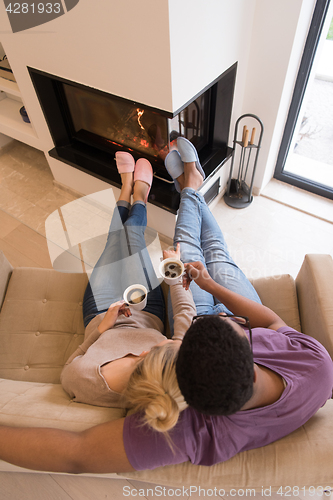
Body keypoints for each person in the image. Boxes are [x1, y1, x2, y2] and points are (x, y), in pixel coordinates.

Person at [0, 141, 332, 475]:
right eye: (228, 322)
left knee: (189, 249)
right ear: (249, 349)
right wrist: (212, 287)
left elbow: (78, 454)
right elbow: (272, 322)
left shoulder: (194, 430)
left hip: (132, 318)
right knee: (216, 251)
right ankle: (191, 187)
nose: (222, 314)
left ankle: (188, 185)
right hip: (214, 313)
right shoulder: (317, 367)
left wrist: (189, 302)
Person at [60, 151, 195, 432]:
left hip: (100, 311)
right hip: (147, 309)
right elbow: (184, 313)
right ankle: (138, 196)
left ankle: (128, 189)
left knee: (114, 241)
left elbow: (71, 362)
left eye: (152, 350)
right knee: (131, 234)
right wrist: (173, 269)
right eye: (164, 342)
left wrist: (102, 329)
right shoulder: (177, 365)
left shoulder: (88, 382)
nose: (146, 345)